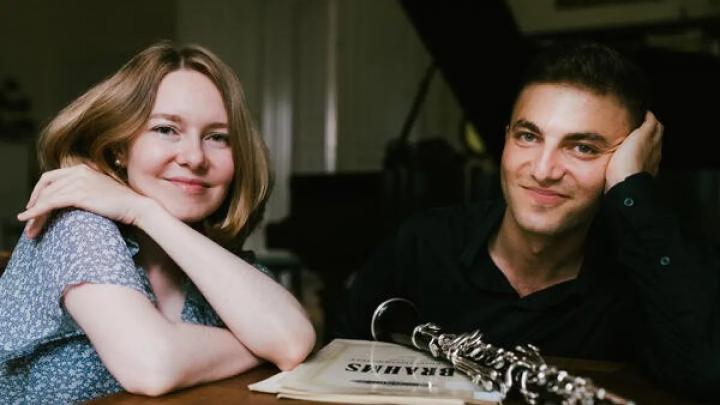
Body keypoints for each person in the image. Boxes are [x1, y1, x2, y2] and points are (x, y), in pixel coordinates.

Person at [336, 41, 719, 399]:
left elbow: (704, 373)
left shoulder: (648, 272)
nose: (543, 170)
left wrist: (634, 187)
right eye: (529, 137)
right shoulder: (423, 242)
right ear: (506, 139)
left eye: (583, 147)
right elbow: (332, 366)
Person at [0, 41, 316, 403]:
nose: (194, 157)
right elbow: (152, 366)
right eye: (166, 129)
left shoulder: (210, 258)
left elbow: (292, 342)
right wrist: (259, 346)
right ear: (120, 148)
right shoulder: (76, 225)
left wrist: (144, 212)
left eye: (218, 137)